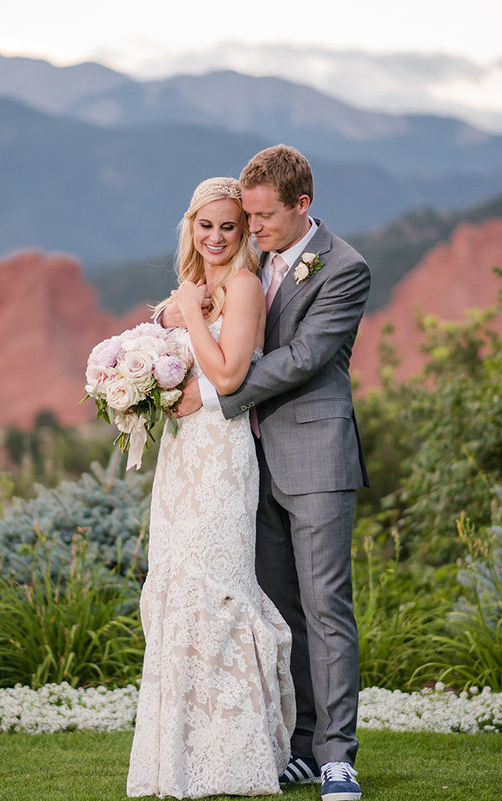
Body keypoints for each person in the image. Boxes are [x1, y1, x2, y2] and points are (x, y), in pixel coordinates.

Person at [167, 146, 370, 801]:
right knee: (282, 613)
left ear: (301, 205)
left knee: (326, 608)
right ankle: (301, 746)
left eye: (262, 216)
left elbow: (306, 355)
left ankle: (339, 758)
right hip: (246, 464)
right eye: (245, 216)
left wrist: (216, 391)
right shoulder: (251, 258)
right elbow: (208, 304)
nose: (250, 228)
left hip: (315, 458)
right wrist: (163, 326)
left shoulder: (344, 267)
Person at [126, 176, 296, 799]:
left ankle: (235, 754)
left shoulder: (244, 288)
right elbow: (175, 367)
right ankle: (177, 757)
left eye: (230, 225)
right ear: (190, 228)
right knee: (173, 582)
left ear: (244, 229)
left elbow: (227, 375)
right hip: (179, 457)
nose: (218, 237)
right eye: (207, 226)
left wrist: (194, 315)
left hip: (222, 458)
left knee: (217, 584)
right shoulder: (187, 291)